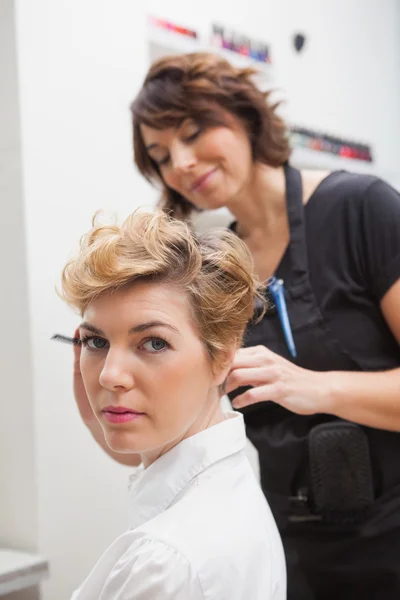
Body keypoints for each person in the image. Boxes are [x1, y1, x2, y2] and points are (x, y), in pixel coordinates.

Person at [74, 51, 400, 599]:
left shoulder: (360, 210)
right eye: (159, 156)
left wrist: (315, 387)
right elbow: (151, 436)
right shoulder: (218, 263)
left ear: (245, 116)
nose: (179, 163)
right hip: (284, 536)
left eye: (193, 131)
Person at [61, 210, 286, 599]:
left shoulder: (166, 562)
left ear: (222, 359)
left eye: (153, 343)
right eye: (97, 342)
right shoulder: (229, 486)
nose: (109, 376)